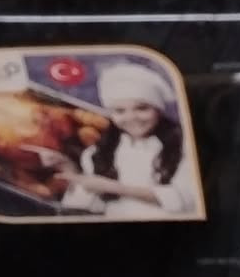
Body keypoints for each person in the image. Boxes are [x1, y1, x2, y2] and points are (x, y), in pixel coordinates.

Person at [56, 62, 200, 219]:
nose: (131, 117)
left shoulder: (186, 145)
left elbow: (187, 199)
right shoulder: (97, 152)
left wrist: (114, 187)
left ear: (158, 110)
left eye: (142, 108)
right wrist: (68, 168)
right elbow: (91, 206)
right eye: (120, 111)